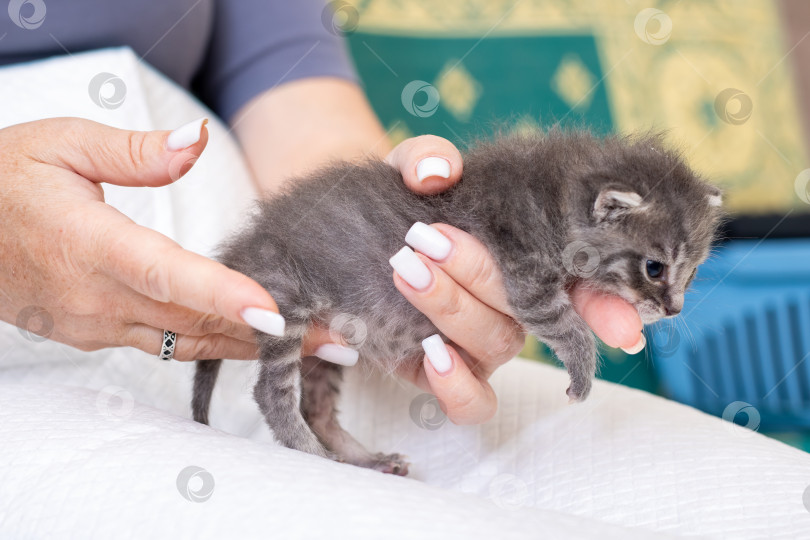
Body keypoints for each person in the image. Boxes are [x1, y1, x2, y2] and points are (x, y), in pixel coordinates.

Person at [0, 0, 643, 425]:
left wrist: (399, 222)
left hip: (290, 321)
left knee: (590, 449)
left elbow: (286, 78)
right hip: (36, 372)